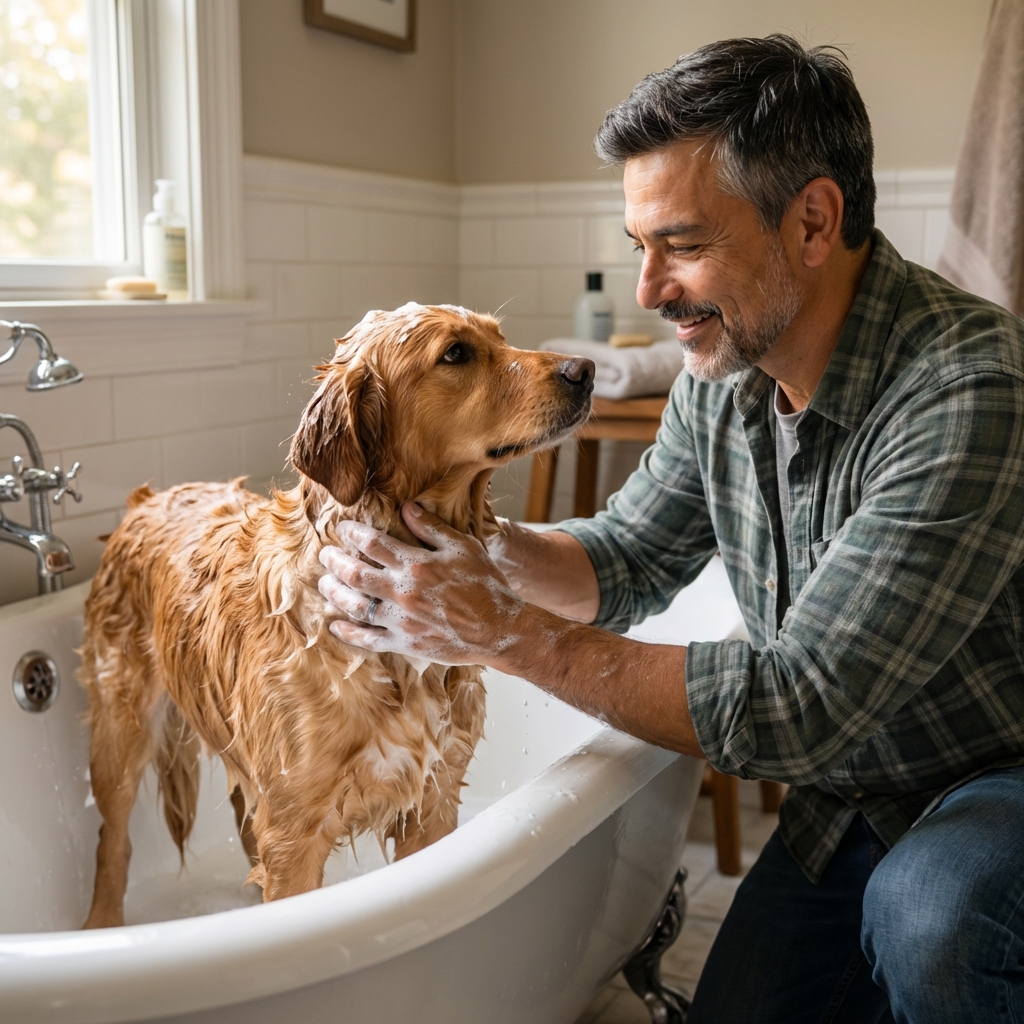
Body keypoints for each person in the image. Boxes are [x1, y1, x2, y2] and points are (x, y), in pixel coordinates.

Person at [316, 35, 1024, 1024]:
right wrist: (463, 552)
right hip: (853, 797)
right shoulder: (727, 375)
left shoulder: (967, 385)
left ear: (813, 221)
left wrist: (500, 631)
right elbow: (630, 560)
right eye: (639, 247)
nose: (649, 291)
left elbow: (801, 704)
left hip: (996, 773)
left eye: (681, 245)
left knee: (931, 919)